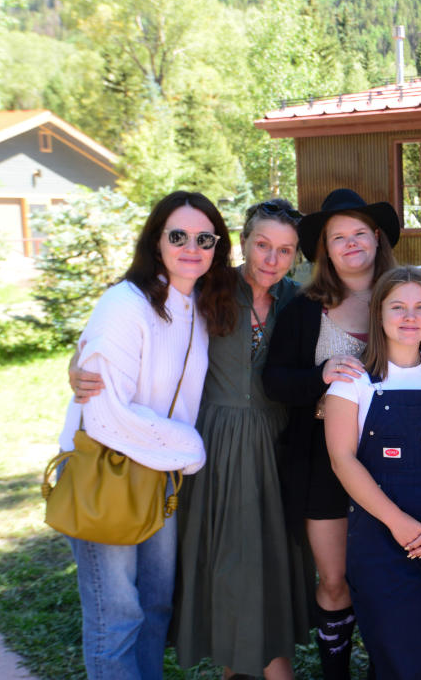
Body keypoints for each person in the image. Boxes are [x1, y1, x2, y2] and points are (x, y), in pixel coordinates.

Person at [69, 199, 312, 678]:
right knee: (204, 572)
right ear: (241, 243)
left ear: (297, 256)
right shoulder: (210, 290)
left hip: (254, 453)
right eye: (261, 244)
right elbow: (111, 339)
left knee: (203, 586)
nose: (270, 258)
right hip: (195, 452)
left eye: (285, 250)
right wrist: (78, 366)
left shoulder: (296, 301)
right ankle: (233, 664)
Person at [57, 191, 235, 680]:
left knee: (156, 606)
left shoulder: (201, 303)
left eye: (205, 238)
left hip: (157, 472)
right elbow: (106, 414)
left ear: (218, 247)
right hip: (106, 471)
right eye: (178, 236)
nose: (191, 247)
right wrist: (191, 448)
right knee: (117, 617)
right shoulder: (125, 303)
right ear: (156, 242)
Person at [262, 188, 399, 680]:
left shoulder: (400, 297)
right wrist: (320, 374)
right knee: (335, 578)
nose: (350, 243)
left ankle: (391, 665)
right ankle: (336, 672)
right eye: (337, 237)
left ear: (376, 237)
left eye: (360, 232)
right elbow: (275, 380)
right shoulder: (304, 310)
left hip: (393, 462)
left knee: (387, 579)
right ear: (324, 248)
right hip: (322, 463)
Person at [324, 265, 421, 680]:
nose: (410, 317)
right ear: (379, 313)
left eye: (420, 307)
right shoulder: (352, 381)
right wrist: (397, 522)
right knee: (410, 664)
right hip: (380, 540)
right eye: (398, 307)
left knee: (420, 651)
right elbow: (342, 460)